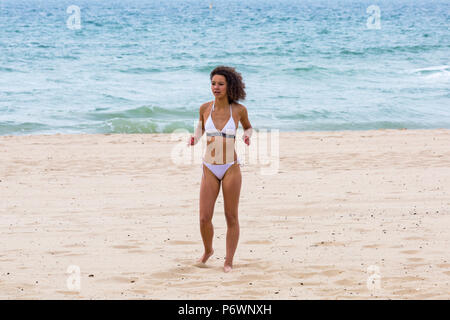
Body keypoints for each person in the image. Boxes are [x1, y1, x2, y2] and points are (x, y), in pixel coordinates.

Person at [187, 66, 253, 273]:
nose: (216, 87)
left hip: (230, 167)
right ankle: (208, 251)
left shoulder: (239, 110)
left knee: (231, 216)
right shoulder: (205, 108)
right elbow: (200, 127)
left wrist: (247, 135)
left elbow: (248, 126)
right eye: (213, 83)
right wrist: (195, 138)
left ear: (229, 86)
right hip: (209, 168)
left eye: (220, 84)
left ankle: (229, 261)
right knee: (204, 217)